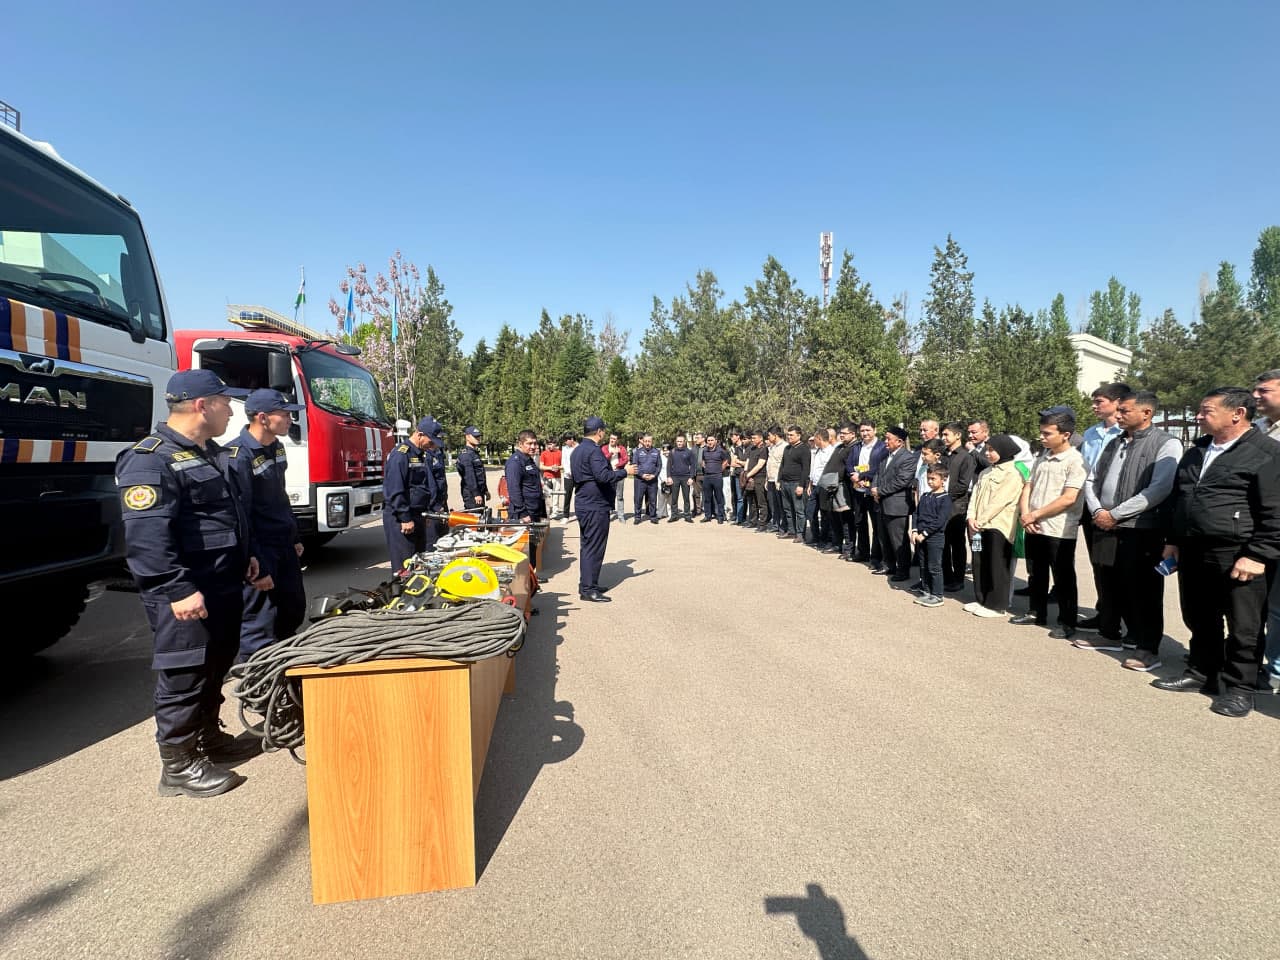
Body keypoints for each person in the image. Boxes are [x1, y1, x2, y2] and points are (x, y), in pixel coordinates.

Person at [115, 369, 258, 798]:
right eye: (225, 402)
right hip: (185, 592)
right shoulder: (150, 459)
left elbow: (222, 516)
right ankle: (177, 766)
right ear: (202, 405)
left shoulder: (208, 452)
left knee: (215, 664)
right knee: (184, 672)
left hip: (221, 585)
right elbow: (147, 538)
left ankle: (207, 737)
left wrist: (245, 555)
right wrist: (176, 588)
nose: (231, 410)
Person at [1152, 387, 1280, 718]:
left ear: (1237, 414)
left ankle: (1240, 688)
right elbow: (1180, 500)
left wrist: (1259, 554)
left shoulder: (1267, 453)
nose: (1198, 415)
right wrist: (1173, 540)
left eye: (1206, 410)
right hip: (1193, 549)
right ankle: (1202, 673)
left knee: (1244, 626)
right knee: (1199, 615)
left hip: (1239, 553)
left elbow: (1275, 512)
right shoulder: (1197, 452)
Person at [1078, 390, 1181, 670]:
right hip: (1105, 523)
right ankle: (1109, 633)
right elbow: (1092, 479)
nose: (1119, 415)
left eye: (1125, 411)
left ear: (1146, 413)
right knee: (1107, 581)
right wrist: (1098, 510)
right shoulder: (1115, 441)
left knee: (1143, 589)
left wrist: (1117, 514)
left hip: (1140, 528)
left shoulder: (1166, 443)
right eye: (1119, 411)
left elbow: (1159, 488)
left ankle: (1147, 647)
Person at [221, 388, 307, 661]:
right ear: (262, 418)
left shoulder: (276, 447)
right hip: (261, 549)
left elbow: (279, 497)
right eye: (284, 414)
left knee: (292, 610)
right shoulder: (238, 455)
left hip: (283, 545)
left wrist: (294, 536)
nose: (290, 420)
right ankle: (256, 686)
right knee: (260, 624)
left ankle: (282, 672)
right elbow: (241, 515)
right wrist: (255, 560)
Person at [1010, 409, 1086, 640]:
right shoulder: (1042, 456)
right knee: (1037, 572)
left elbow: (1069, 498)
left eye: (1047, 433)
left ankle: (1067, 621)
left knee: (1063, 576)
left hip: (1059, 528)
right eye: (1041, 433)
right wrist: (1026, 514)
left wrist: (1036, 515)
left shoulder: (1076, 460)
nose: (1042, 437)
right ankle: (1036, 611)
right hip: (1034, 524)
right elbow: (1028, 487)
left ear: (1065, 434)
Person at [570, 416, 637, 602]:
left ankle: (588, 583)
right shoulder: (594, 451)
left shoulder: (577, 450)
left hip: (585, 502)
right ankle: (588, 588)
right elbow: (603, 476)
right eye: (603, 431)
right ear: (599, 431)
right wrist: (625, 472)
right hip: (594, 505)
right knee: (594, 547)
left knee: (588, 546)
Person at [964, 434, 1023, 619]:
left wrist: (980, 521)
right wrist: (970, 517)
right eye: (987, 450)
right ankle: (982, 598)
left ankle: (997, 604)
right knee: (979, 561)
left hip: (998, 527)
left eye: (991, 450)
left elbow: (1000, 501)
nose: (987, 454)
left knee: (996, 564)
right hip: (978, 526)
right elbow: (974, 496)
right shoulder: (986, 472)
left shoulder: (1013, 473)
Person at [383, 417, 438, 573]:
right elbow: (396, 489)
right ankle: (400, 595)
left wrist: (425, 514)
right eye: (431, 441)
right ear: (419, 434)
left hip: (417, 515)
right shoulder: (401, 455)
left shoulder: (419, 454)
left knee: (417, 566)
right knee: (404, 568)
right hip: (402, 519)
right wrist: (405, 518)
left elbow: (422, 487)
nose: (432, 446)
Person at [871, 426, 916, 580]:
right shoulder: (886, 457)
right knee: (883, 537)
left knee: (898, 540)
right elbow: (877, 474)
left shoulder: (908, 458)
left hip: (897, 506)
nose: (885, 441)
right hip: (882, 503)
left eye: (888, 438)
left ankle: (903, 570)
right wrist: (874, 488)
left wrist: (880, 491)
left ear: (900, 442)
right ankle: (888, 564)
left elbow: (902, 481)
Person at [940, 421, 976, 591]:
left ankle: (958, 579)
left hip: (956, 508)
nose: (943, 437)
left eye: (946, 434)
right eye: (943, 434)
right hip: (940, 506)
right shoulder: (943, 455)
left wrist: (944, 496)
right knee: (943, 543)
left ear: (958, 435)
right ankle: (946, 577)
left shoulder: (966, 457)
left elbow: (963, 485)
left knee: (957, 544)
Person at [910, 463, 950, 608]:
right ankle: (926, 590)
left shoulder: (945, 499)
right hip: (920, 536)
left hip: (934, 537)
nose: (930, 481)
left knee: (934, 567)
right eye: (928, 478)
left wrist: (925, 534)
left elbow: (940, 521)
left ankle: (937, 595)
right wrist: (914, 530)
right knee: (923, 565)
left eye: (933, 478)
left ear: (943, 479)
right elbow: (916, 513)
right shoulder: (926, 496)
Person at [419, 415, 449, 550]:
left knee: (444, 539)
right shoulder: (426, 456)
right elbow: (431, 483)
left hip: (441, 503)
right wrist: (436, 506)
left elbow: (441, 480)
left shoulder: (438, 453)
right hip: (433, 506)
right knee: (432, 543)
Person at [505, 430, 546, 522]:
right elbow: (514, 490)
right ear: (520, 444)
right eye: (529, 443)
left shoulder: (528, 460)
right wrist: (523, 513)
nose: (533, 447)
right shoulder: (515, 463)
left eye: (535, 443)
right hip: (524, 513)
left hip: (534, 509)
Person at [457, 426, 489, 510]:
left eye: (478, 436)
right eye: (475, 436)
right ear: (467, 437)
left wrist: (485, 490)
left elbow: (479, 474)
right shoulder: (466, 455)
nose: (478, 438)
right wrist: (476, 494)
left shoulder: (474, 453)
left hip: (479, 492)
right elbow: (469, 476)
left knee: (482, 517)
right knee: (475, 518)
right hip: (471, 494)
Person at [632, 433, 662, 524]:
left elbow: (659, 466)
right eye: (646, 441)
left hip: (652, 480)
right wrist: (642, 475)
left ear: (652, 441)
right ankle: (637, 517)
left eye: (649, 441)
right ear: (643, 441)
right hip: (640, 480)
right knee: (638, 499)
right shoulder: (637, 452)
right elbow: (634, 466)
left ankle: (653, 517)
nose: (647, 443)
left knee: (652, 499)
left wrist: (654, 475)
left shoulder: (656, 452)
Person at [700, 433, 729, 523]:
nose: (710, 442)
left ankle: (720, 516)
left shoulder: (721, 451)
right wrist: (704, 466)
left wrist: (720, 469)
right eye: (708, 440)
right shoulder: (704, 451)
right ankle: (707, 516)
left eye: (712, 440)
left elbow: (726, 461)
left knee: (719, 497)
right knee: (707, 498)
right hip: (707, 477)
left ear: (716, 441)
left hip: (717, 477)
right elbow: (703, 460)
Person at [667, 434, 696, 522]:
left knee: (686, 498)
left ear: (684, 442)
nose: (679, 443)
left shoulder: (689, 452)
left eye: (681, 441)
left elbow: (693, 465)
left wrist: (691, 477)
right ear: (676, 442)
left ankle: (687, 516)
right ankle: (674, 515)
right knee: (674, 498)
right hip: (675, 477)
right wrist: (669, 477)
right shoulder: (672, 452)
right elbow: (669, 465)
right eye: (678, 441)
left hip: (686, 478)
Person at [539, 436, 564, 519]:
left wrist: (558, 467)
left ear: (555, 444)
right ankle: (546, 511)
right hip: (547, 477)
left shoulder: (560, 453)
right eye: (548, 444)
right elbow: (541, 466)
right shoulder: (543, 453)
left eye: (551, 444)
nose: (549, 446)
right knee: (546, 495)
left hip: (557, 477)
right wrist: (550, 468)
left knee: (556, 495)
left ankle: (555, 512)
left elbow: (563, 465)